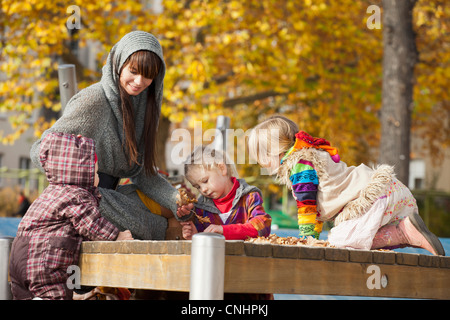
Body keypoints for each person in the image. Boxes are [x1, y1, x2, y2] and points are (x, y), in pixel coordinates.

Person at [29, 31, 193, 240]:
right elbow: (39, 150)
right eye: (133, 71)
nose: (139, 81)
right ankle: (169, 230)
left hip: (112, 197)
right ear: (118, 63)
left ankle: (172, 226)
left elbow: (143, 175)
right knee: (150, 222)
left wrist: (175, 200)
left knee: (170, 208)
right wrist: (82, 176)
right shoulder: (94, 100)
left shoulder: (144, 107)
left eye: (148, 75)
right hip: (81, 200)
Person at [248, 115, 445, 255]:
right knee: (358, 236)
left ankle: (403, 231)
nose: (260, 163)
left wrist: (304, 239)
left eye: (260, 157)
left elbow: (306, 206)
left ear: (273, 152)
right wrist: (311, 237)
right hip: (386, 191)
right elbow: (315, 207)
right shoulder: (308, 155)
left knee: (340, 241)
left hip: (372, 197)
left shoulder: (299, 165)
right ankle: (407, 232)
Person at [9, 132, 133, 300]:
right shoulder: (76, 195)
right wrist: (117, 236)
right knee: (53, 293)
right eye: (95, 173)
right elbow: (91, 224)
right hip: (43, 262)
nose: (97, 178)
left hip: (20, 258)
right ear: (82, 173)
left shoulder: (51, 193)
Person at [181, 145, 272, 241]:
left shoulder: (249, 196)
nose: (203, 190)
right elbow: (205, 241)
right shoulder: (201, 208)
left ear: (222, 168)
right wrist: (195, 236)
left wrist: (225, 230)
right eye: (198, 187)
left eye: (205, 181)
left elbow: (263, 225)